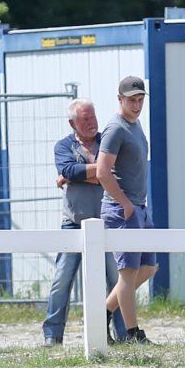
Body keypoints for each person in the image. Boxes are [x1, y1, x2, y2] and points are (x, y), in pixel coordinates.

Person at [42, 99, 127, 347]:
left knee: (117, 279)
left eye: (93, 117)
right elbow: (68, 170)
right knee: (61, 280)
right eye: (85, 119)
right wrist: (99, 173)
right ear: (73, 123)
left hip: (108, 222)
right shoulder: (63, 145)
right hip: (73, 223)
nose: (92, 123)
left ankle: (122, 333)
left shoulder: (108, 141)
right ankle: (52, 335)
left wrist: (79, 174)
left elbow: (118, 173)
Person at [97, 76, 157, 344]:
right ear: (120, 99)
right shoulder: (115, 128)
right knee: (128, 274)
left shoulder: (135, 124)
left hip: (138, 207)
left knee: (149, 267)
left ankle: (102, 313)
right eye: (132, 99)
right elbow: (102, 171)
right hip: (122, 210)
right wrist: (124, 203)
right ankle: (133, 333)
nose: (137, 104)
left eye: (140, 99)